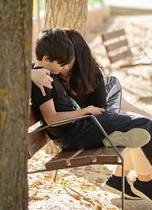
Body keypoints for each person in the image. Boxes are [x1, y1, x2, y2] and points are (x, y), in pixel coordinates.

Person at [31, 28, 152, 203]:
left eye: (67, 61)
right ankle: (143, 183)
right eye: (62, 62)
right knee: (144, 125)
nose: (64, 66)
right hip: (76, 131)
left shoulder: (49, 75)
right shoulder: (44, 80)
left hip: (81, 127)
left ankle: (134, 181)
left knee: (141, 128)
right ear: (47, 58)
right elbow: (52, 118)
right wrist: (86, 111)